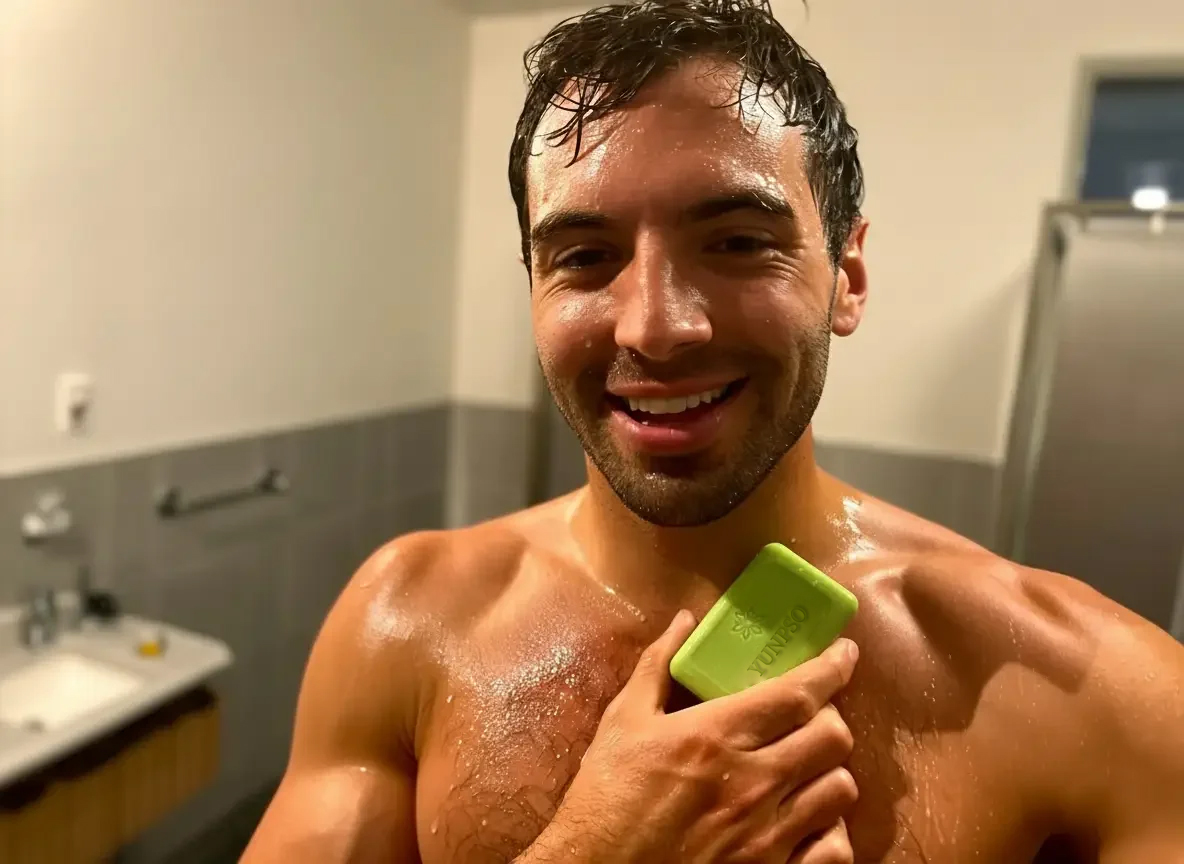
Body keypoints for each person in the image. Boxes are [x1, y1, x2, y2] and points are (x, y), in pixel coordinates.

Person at [242, 2, 1184, 861]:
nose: (655, 327)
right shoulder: (405, 625)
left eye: (737, 242)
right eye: (585, 256)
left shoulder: (1102, 697)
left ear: (847, 277)